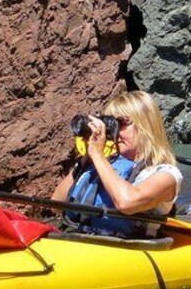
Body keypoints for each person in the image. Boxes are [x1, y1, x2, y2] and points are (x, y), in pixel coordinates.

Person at [52, 91, 182, 237]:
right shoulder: (101, 164)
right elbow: (57, 203)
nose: (115, 132)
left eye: (121, 123)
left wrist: (98, 156)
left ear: (146, 125)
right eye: (111, 125)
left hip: (130, 250)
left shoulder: (167, 174)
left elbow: (127, 202)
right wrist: (87, 160)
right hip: (79, 238)